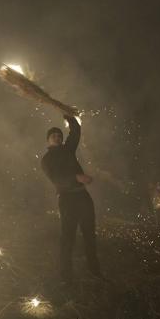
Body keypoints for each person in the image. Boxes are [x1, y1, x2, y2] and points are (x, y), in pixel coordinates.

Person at [41, 115, 102, 283]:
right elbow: (57, 179)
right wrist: (76, 177)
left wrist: (68, 114)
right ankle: (66, 277)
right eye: (54, 136)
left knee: (89, 234)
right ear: (48, 140)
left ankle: (95, 271)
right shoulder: (47, 160)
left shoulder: (68, 150)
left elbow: (75, 133)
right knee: (68, 237)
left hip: (83, 196)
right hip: (67, 200)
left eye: (60, 135)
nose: (58, 137)